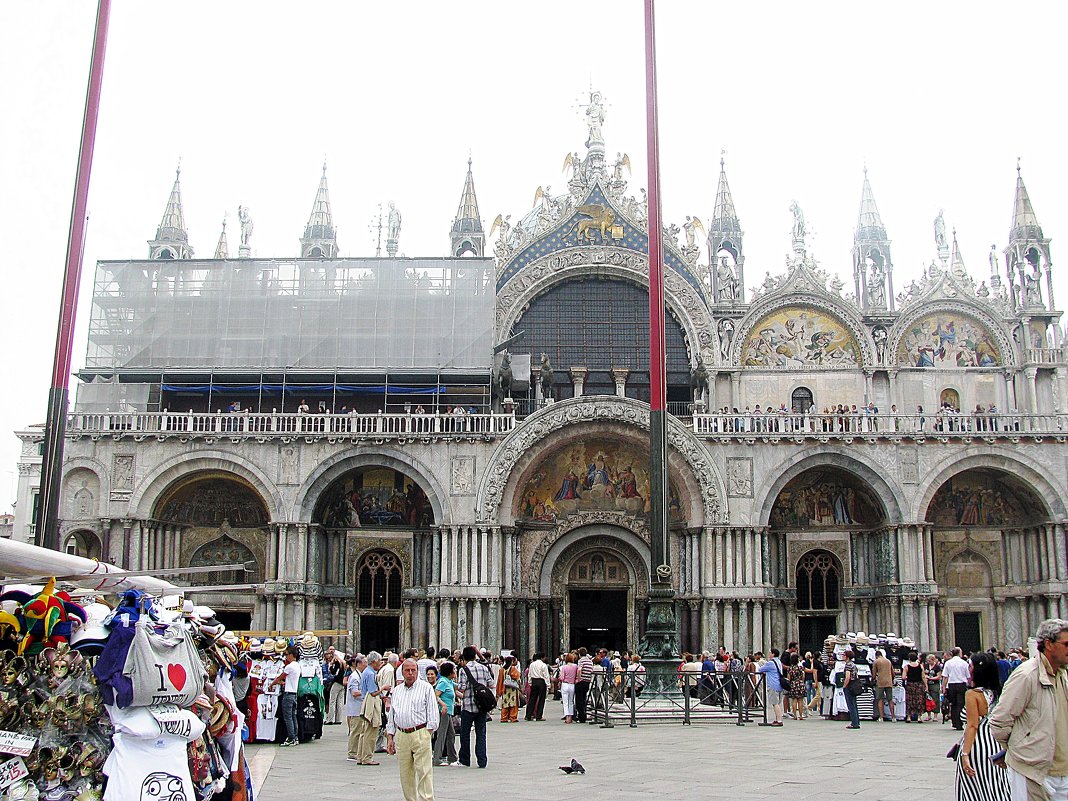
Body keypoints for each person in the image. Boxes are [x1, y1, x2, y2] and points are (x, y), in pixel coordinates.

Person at [990, 619, 1068, 801]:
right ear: (1048, 644)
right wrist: (1020, 749)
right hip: (1032, 771)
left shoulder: (1062, 675)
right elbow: (1000, 720)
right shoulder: (1026, 675)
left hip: (1062, 769)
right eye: (1066, 644)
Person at [956, 651, 1010, 801]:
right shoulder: (999, 692)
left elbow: (972, 726)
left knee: (973, 789)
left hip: (977, 745)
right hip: (995, 743)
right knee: (996, 786)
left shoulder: (972, 694)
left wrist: (965, 754)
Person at [386, 658, 439, 801]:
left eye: (413, 670)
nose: (410, 673)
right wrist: (390, 736)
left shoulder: (426, 687)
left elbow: (433, 713)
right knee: (405, 774)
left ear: (417, 671)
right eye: (407, 670)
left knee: (424, 772)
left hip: (420, 732)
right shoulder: (396, 691)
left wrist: (427, 732)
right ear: (402, 672)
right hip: (402, 734)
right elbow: (392, 715)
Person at [455, 646, 493, 768]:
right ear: (475, 656)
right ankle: (482, 760)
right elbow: (491, 684)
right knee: (481, 733)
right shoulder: (483, 668)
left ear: (464, 657)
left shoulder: (463, 670)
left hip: (468, 706)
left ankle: (465, 759)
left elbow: (461, 687)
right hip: (482, 707)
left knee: (465, 733)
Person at [351, 651, 383, 765]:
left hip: (364, 702)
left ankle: (361, 756)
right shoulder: (371, 674)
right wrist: (383, 688)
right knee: (371, 731)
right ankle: (367, 757)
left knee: (364, 732)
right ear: (374, 662)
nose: (380, 663)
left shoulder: (366, 672)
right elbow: (373, 692)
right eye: (379, 661)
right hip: (371, 703)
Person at [270, 646, 302, 746]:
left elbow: (280, 677)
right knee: (293, 716)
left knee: (288, 717)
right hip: (294, 693)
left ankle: (291, 738)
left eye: (287, 654)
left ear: (292, 655)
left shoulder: (290, 666)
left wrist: (272, 684)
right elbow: (289, 680)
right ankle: (295, 737)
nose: (286, 656)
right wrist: (282, 683)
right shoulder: (297, 666)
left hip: (288, 695)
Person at [345, 655, 367, 762]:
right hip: (355, 708)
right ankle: (352, 752)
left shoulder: (360, 675)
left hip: (359, 708)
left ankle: (356, 751)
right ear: (358, 664)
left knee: (359, 730)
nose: (366, 665)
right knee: (356, 731)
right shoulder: (354, 676)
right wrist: (367, 692)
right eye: (364, 663)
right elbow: (354, 692)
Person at [757, 647, 786, 726]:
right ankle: (777, 719)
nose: (769, 654)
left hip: (773, 684)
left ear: (773, 654)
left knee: (775, 703)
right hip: (779, 684)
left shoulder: (771, 663)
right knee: (778, 703)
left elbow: (760, 669)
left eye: (770, 653)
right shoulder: (779, 662)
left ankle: (779, 720)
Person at [944, 647, 972, 731]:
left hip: (951, 684)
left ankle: (954, 722)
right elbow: (968, 676)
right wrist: (970, 685)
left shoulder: (948, 663)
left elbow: (945, 676)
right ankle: (959, 723)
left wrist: (944, 688)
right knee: (960, 703)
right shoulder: (964, 663)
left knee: (953, 703)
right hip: (961, 684)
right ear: (959, 653)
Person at [324, 645, 346, 725]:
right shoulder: (344, 664)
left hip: (336, 683)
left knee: (332, 701)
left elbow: (334, 673)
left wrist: (330, 667)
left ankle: (330, 719)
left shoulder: (337, 663)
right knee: (339, 702)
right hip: (342, 684)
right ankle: (338, 719)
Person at [902, 650, 926, 723]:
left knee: (910, 700)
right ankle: (919, 717)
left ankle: (909, 716)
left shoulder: (906, 667)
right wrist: (926, 685)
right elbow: (923, 677)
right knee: (919, 700)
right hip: (919, 684)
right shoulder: (920, 666)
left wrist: (908, 677)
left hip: (910, 684)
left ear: (909, 658)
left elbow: (903, 677)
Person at [526, 652, 549, 721]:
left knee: (532, 699)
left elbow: (529, 674)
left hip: (534, 681)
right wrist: (548, 684)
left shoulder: (532, 664)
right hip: (541, 682)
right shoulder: (543, 665)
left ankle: (528, 715)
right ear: (542, 657)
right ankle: (539, 716)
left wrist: (530, 682)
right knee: (541, 699)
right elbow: (546, 676)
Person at [841, 650, 861, 729]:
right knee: (854, 704)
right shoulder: (853, 665)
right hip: (854, 685)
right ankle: (856, 721)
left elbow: (848, 677)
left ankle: (854, 723)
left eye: (844, 655)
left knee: (851, 705)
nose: (842, 656)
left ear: (847, 656)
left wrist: (844, 686)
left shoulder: (848, 665)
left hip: (850, 686)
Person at [558, 652, 578, 722]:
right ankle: (571, 716)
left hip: (565, 684)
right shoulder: (575, 666)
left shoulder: (564, 667)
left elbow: (562, 677)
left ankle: (567, 717)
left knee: (565, 701)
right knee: (571, 701)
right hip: (572, 684)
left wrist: (559, 679)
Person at [575, 647, 593, 723]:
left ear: (579, 654)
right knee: (583, 698)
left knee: (579, 700)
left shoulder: (581, 660)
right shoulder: (590, 661)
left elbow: (579, 669)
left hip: (581, 682)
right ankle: (584, 715)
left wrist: (578, 679)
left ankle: (581, 717)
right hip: (587, 681)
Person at [926, 653, 944, 722]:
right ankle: (928, 715)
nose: (928, 662)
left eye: (929, 660)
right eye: (927, 661)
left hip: (934, 684)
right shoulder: (926, 666)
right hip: (927, 684)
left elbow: (939, 676)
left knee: (935, 699)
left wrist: (931, 678)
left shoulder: (937, 667)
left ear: (933, 660)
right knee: (928, 699)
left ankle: (935, 715)